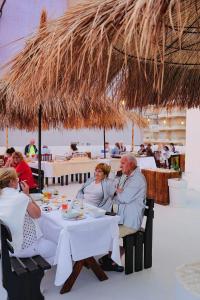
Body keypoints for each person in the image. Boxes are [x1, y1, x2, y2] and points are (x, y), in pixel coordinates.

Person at [99, 154, 146, 272]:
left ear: (131, 164)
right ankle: (112, 254)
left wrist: (118, 191)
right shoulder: (126, 176)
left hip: (130, 222)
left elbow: (123, 197)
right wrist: (118, 190)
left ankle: (115, 258)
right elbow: (115, 190)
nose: (120, 165)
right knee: (101, 227)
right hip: (121, 217)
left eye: (123, 163)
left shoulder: (138, 179)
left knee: (109, 233)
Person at [0, 168, 56, 261]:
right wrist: (27, 194)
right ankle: (41, 272)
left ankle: (40, 271)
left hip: (6, 247)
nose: (18, 182)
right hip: (25, 247)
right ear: (11, 182)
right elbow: (37, 214)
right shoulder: (20, 197)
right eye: (17, 180)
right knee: (59, 247)